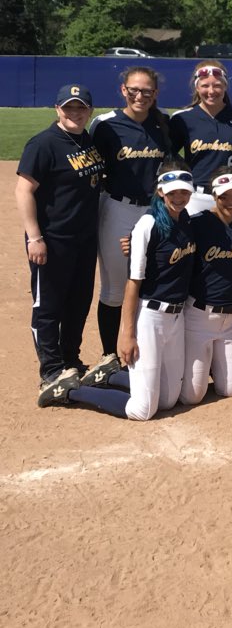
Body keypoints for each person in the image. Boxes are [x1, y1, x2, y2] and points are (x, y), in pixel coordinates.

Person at [39, 162, 197, 419]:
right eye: (172, 193)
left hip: (176, 319)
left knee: (168, 401)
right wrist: (127, 335)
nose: (178, 198)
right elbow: (133, 284)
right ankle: (69, 391)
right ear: (160, 192)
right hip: (150, 317)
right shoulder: (147, 224)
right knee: (142, 410)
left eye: (184, 192)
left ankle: (111, 375)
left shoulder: (186, 221)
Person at [17, 84, 106, 404]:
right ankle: (51, 370)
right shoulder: (43, 144)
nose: (75, 113)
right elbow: (23, 191)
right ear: (57, 109)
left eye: (81, 107)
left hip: (83, 239)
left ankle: (71, 360)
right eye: (68, 107)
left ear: (89, 111)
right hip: (52, 240)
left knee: (78, 302)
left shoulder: (87, 141)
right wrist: (35, 237)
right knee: (49, 306)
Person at [90, 66, 173, 360]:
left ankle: (146, 347)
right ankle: (109, 356)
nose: (140, 96)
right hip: (117, 208)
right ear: (123, 90)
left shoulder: (164, 124)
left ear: (155, 93)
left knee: (154, 277)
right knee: (114, 286)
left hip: (155, 211)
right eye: (134, 90)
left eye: (147, 91)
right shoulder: (105, 124)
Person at [180, 170, 232, 405]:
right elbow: (167, 239)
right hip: (200, 315)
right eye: (224, 197)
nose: (231, 202)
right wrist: (134, 240)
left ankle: (211, 361)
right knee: (191, 396)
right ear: (214, 196)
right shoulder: (197, 223)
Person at [169, 62, 232, 216]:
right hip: (196, 197)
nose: (211, 91)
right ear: (197, 87)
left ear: (225, 86)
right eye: (205, 86)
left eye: (217, 85)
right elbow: (168, 156)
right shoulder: (182, 118)